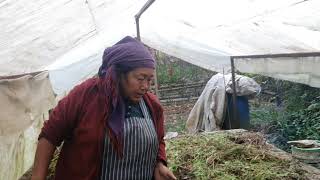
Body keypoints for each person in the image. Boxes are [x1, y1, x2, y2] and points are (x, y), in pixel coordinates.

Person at [31, 36, 176, 180]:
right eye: (140, 78)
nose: (145, 86)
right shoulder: (86, 95)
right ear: (119, 73)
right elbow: (50, 135)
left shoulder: (152, 106)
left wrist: (159, 163)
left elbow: (159, 140)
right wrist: (38, 177)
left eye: (149, 79)